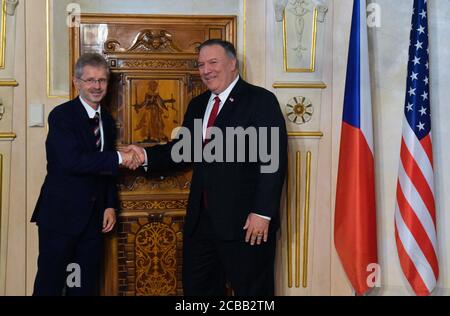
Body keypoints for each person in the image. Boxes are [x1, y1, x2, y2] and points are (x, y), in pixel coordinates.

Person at [128, 39, 287, 296]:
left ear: (232, 64)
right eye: (201, 64)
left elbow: (273, 162)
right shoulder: (198, 105)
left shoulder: (260, 101)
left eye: (213, 62)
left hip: (245, 224)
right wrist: (143, 154)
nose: (206, 70)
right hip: (201, 223)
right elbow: (181, 152)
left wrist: (262, 213)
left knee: (253, 295)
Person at [31, 53, 142, 296]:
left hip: (93, 221)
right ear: (76, 82)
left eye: (102, 80)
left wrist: (110, 205)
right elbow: (73, 161)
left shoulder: (108, 122)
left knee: (83, 286)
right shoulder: (62, 116)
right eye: (90, 80)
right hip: (61, 217)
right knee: (49, 285)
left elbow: (105, 171)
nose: (96, 86)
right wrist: (120, 157)